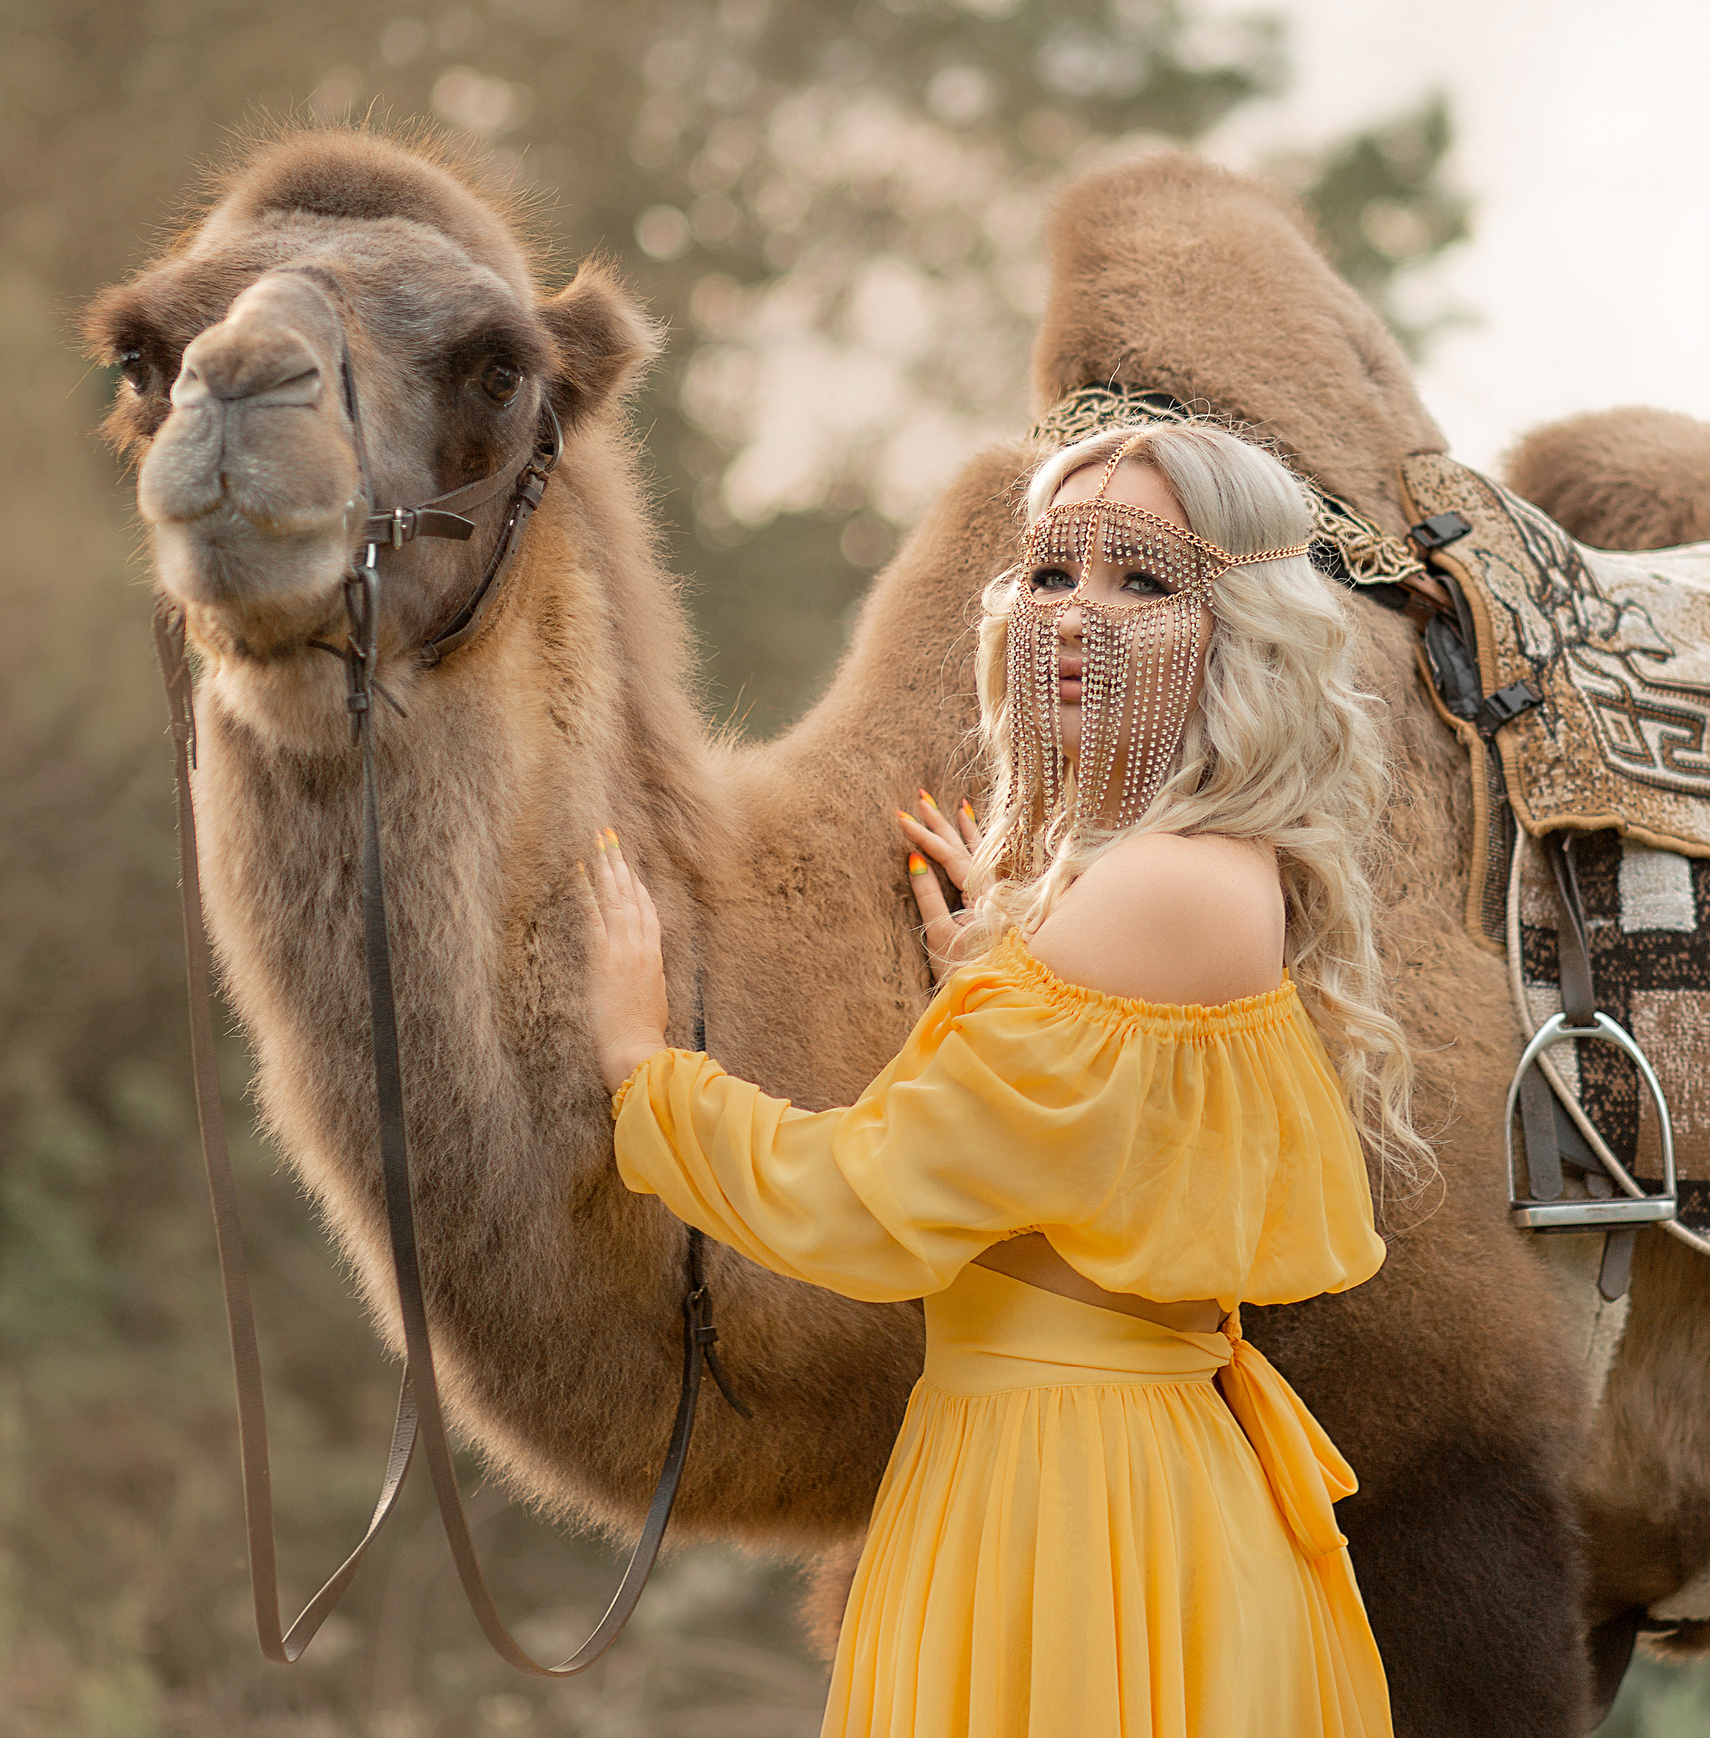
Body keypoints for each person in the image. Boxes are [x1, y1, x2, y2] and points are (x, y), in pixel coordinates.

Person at [582, 421, 1427, 1738]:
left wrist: (648, 1072)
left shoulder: (1153, 889)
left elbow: (863, 1205)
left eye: (1144, 580)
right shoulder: (1165, 879)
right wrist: (1007, 963)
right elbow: (1098, 1153)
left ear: (1241, 631)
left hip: (1073, 1510)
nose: (1077, 614)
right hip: (1080, 1477)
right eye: (1050, 573)